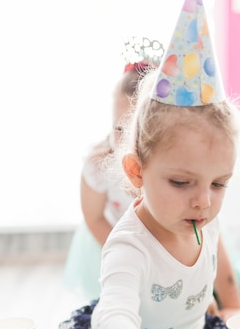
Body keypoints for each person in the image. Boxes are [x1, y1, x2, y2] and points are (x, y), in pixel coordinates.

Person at [89, 0, 240, 329]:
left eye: (219, 184)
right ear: (137, 171)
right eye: (182, 183)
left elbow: (217, 253)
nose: (204, 201)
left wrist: (233, 302)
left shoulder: (203, 214)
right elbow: (113, 322)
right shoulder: (128, 245)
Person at [63, 38, 164, 301]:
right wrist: (126, 254)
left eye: (140, 131)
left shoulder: (169, 165)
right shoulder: (98, 164)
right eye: (119, 129)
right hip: (112, 237)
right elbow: (94, 217)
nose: (129, 142)